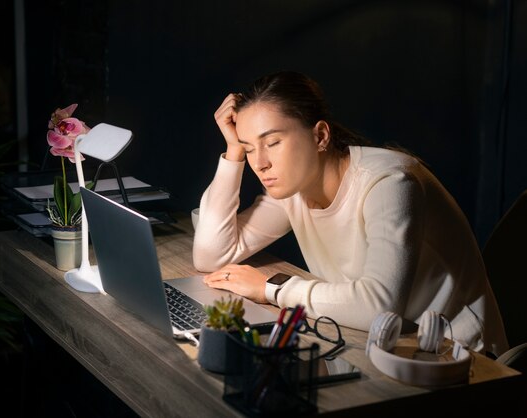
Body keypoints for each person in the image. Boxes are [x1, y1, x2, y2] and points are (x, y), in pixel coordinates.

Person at [193, 70, 508, 357]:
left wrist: (271, 288)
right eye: (250, 148)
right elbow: (211, 256)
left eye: (272, 142)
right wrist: (233, 154)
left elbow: (379, 306)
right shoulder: (292, 189)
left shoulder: (391, 181)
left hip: (461, 359)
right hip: (383, 346)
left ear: (320, 136)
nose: (260, 163)